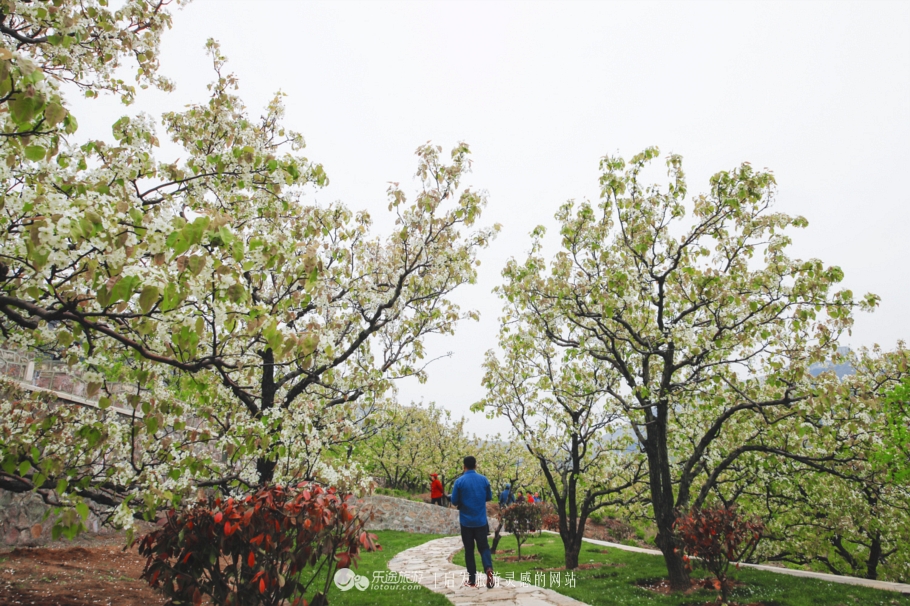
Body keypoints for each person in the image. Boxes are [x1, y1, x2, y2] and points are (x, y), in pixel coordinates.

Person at [449, 455, 495, 588]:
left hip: (466, 522)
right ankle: (488, 569)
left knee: (469, 550)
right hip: (481, 521)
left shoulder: (459, 482)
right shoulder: (483, 480)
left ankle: (472, 580)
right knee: (484, 547)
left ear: (464, 466)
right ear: (475, 466)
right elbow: (489, 497)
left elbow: (455, 501)